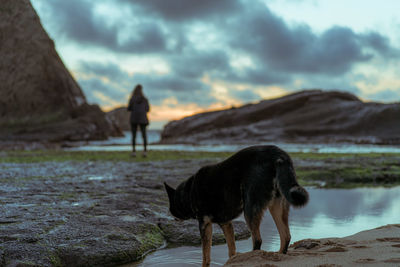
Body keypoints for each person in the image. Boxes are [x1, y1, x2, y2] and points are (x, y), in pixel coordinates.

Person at [127, 84, 150, 157]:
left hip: (134, 118)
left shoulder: (132, 99)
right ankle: (145, 151)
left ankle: (134, 152)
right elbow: (148, 109)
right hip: (143, 119)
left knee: (134, 136)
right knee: (144, 135)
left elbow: (129, 108)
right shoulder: (145, 99)